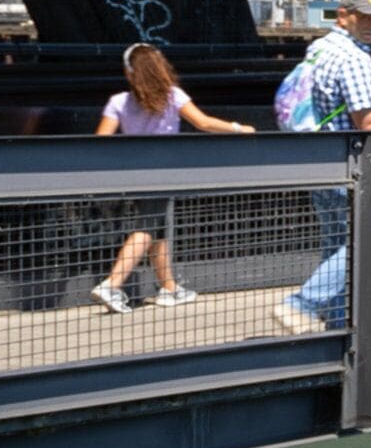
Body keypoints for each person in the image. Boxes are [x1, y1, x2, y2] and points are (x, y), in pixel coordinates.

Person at [90, 42, 252, 312]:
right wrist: (239, 128)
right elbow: (204, 123)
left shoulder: (117, 102)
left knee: (158, 230)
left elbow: (101, 141)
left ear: (130, 73)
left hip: (131, 174)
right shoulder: (173, 96)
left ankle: (169, 287)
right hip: (164, 173)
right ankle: (112, 284)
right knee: (146, 228)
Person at [270, 0, 371, 337]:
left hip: (321, 160)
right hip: (353, 163)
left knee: (338, 240)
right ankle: (302, 304)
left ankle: (339, 325)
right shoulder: (353, 59)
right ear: (343, 15)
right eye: (364, 16)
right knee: (369, 238)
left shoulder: (320, 49)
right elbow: (368, 121)